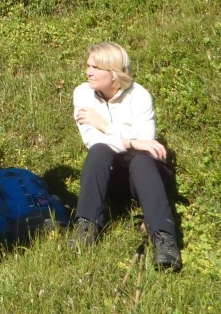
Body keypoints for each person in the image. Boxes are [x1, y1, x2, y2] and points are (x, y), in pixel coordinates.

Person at [69, 41, 182, 271]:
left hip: (145, 176)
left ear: (114, 73)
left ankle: (165, 240)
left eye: (95, 67)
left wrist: (104, 125)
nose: (88, 71)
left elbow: (146, 144)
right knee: (99, 151)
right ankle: (86, 227)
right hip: (110, 177)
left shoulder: (139, 96)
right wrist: (130, 140)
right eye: (88, 65)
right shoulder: (82, 94)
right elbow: (93, 140)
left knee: (140, 160)